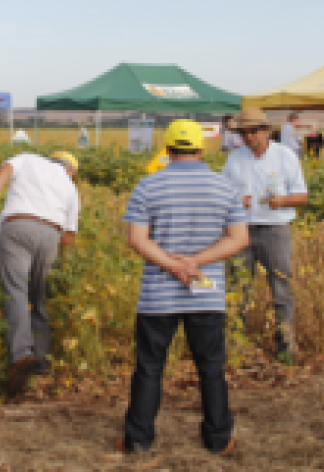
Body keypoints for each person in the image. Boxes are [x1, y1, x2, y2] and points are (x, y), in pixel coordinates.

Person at [116, 120, 249, 456]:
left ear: (168, 148)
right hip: (207, 293)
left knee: (149, 367)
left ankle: (138, 439)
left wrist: (174, 264)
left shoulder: (148, 186)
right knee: (211, 368)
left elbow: (137, 239)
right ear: (201, 150)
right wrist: (197, 262)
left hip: (158, 297)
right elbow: (238, 239)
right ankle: (219, 439)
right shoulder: (224, 188)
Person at [0, 150, 81, 397]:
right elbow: (68, 237)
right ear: (71, 170)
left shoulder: (29, 159)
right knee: (39, 297)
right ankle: (41, 363)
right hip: (50, 234)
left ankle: (22, 354)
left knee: (15, 291)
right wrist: (62, 267)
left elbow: (4, 169)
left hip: (17, 224)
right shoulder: (70, 186)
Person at [223, 109, 308, 363]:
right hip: (242, 230)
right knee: (239, 289)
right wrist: (236, 200)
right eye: (244, 132)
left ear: (266, 130)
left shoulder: (285, 156)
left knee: (281, 288)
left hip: (275, 230)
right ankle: (237, 348)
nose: (248, 137)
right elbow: (223, 196)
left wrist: (281, 201)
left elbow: (302, 196)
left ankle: (286, 346)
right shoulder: (234, 159)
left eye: (253, 131)